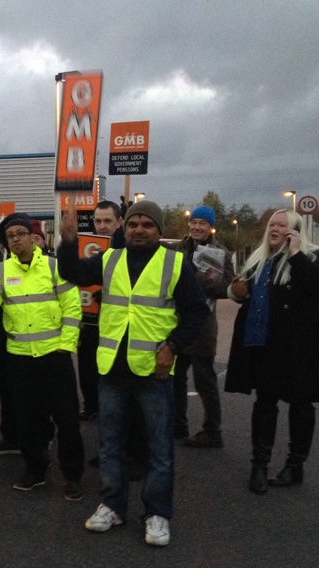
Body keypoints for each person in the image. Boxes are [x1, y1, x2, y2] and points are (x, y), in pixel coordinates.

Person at [58, 199, 208, 547]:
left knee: (159, 450)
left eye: (147, 225)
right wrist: (67, 241)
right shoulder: (110, 258)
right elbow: (73, 274)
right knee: (110, 445)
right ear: (125, 228)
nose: (139, 230)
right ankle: (112, 505)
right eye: (134, 224)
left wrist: (173, 346)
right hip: (112, 370)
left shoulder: (175, 263)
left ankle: (157, 513)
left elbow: (197, 313)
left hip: (153, 373)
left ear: (159, 230)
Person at [0, 216, 85, 500]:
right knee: (27, 419)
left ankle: (72, 475)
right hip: (20, 358)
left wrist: (66, 345)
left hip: (54, 356)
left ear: (34, 237)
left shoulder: (54, 266)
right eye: (10, 235)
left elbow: (72, 307)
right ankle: (35, 468)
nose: (16, 239)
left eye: (21, 233)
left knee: (67, 418)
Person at [225, 209, 319, 495]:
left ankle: (295, 465)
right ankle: (259, 465)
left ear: (295, 231)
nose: (275, 229)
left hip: (298, 346)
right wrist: (236, 290)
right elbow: (239, 289)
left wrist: (295, 254)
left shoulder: (315, 256)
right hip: (263, 343)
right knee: (265, 402)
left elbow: (317, 286)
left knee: (301, 403)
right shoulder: (259, 259)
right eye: (272, 224)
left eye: (282, 225)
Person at [168, 205, 234, 447]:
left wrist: (203, 283)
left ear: (211, 226)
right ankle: (178, 425)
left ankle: (212, 431)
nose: (196, 227)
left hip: (203, 326)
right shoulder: (177, 248)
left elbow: (227, 287)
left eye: (202, 223)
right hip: (177, 322)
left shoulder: (221, 253)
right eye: (194, 222)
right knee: (175, 378)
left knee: (205, 380)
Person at [78, 200, 125, 421]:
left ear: (119, 222)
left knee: (111, 370)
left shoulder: (127, 248)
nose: (102, 226)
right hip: (89, 318)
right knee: (87, 363)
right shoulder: (87, 245)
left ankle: (110, 409)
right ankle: (91, 405)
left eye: (107, 221)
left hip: (117, 322)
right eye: (98, 221)